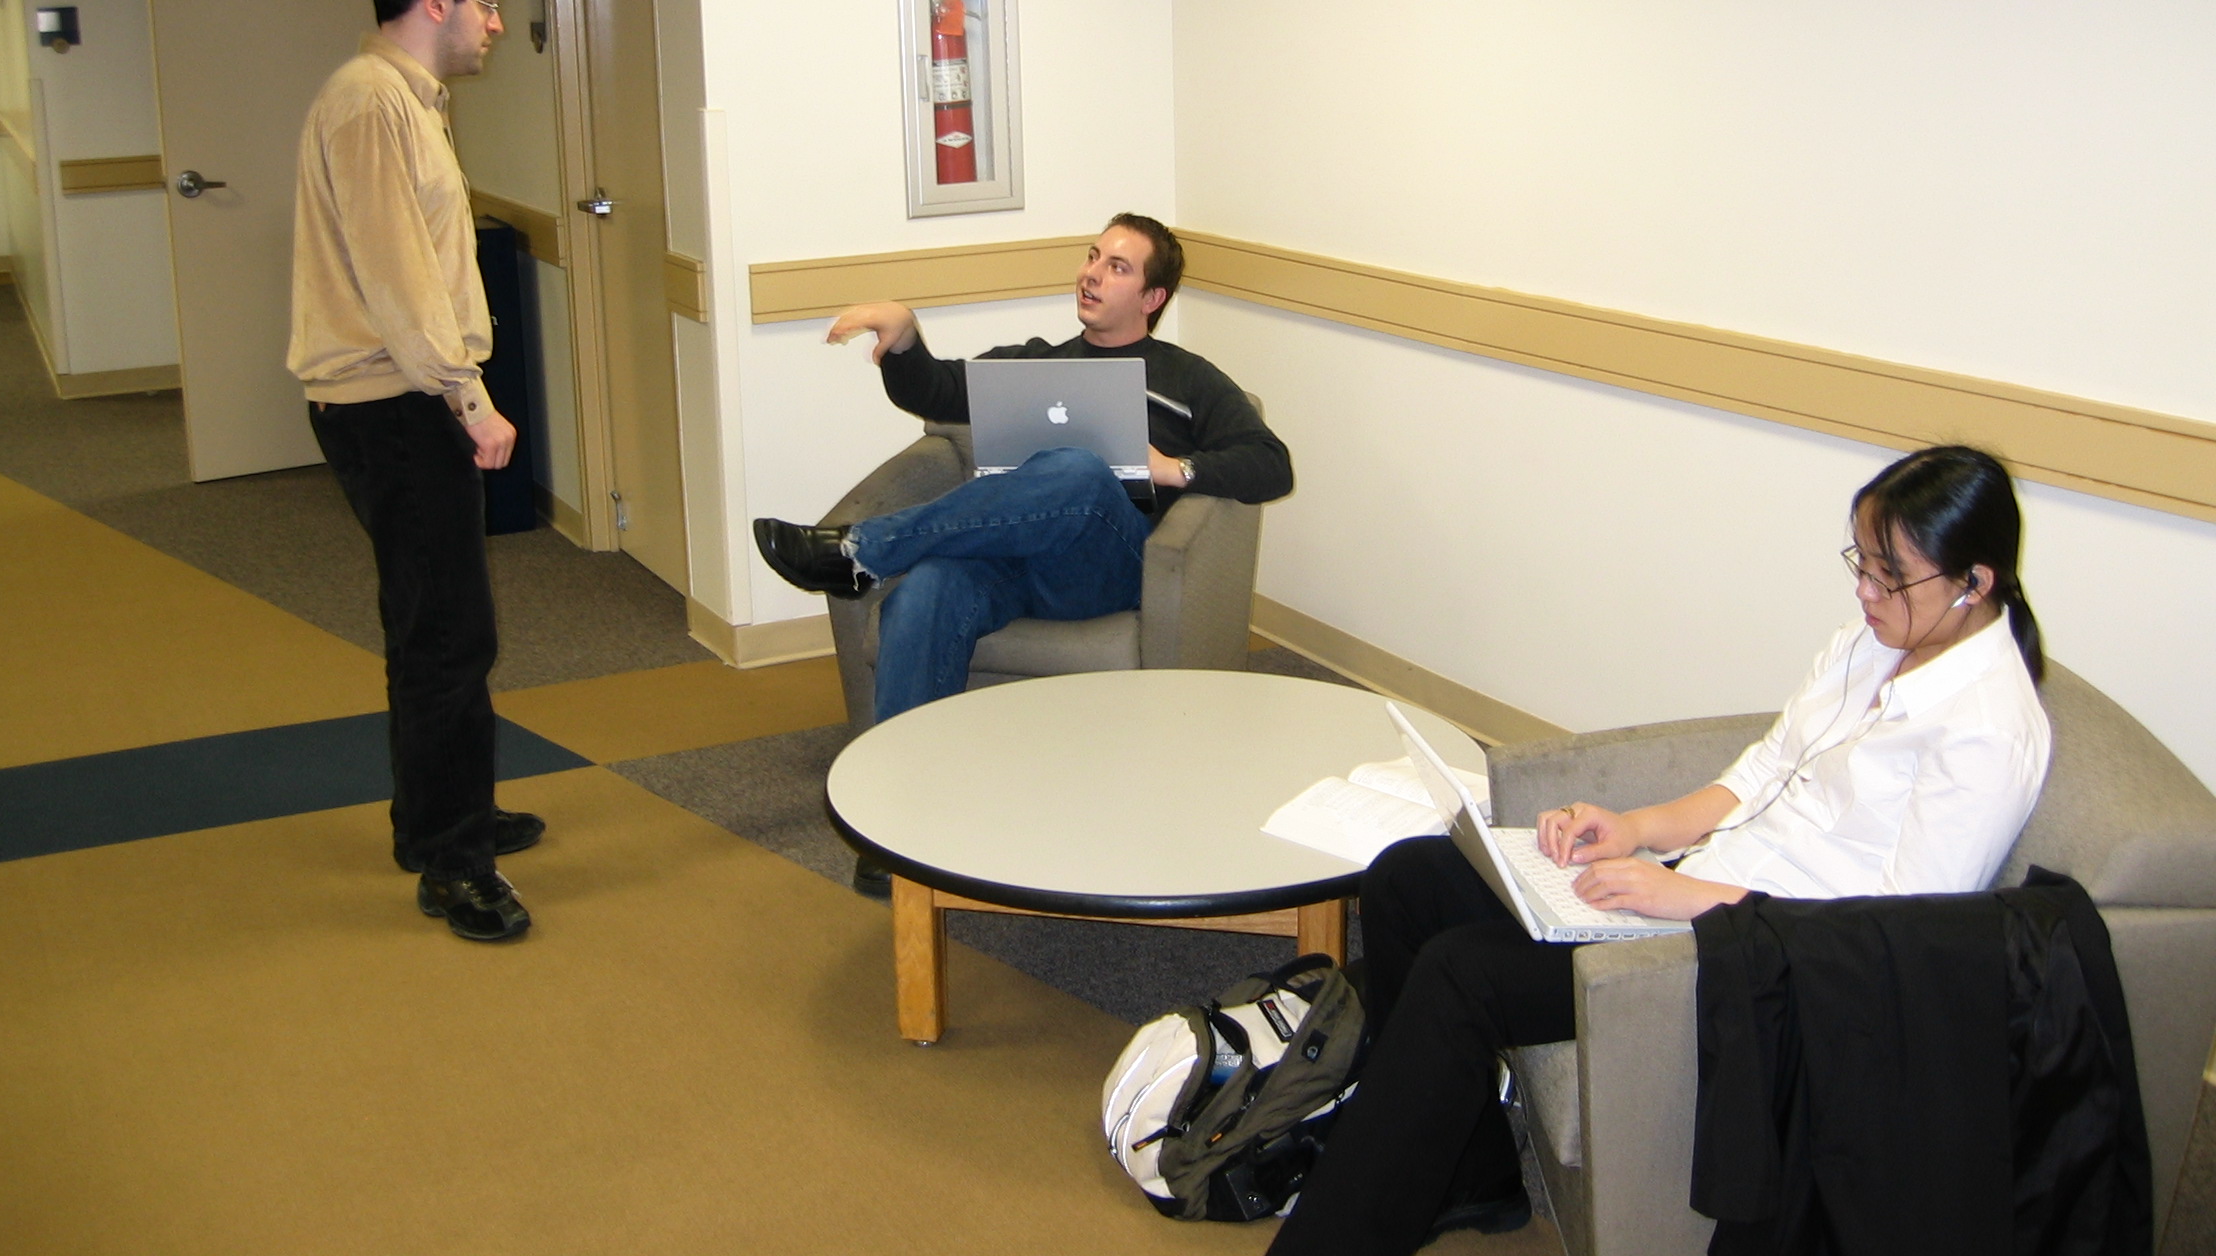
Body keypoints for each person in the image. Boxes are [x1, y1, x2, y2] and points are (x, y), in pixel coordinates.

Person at [1268, 445, 2053, 1254]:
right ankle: (1472, 1174)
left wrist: (1687, 900)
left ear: (1974, 582)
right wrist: (1636, 829)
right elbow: (1760, 774)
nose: (1865, 591)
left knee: (1465, 973)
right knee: (1409, 878)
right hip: (1698, 891)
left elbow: (1894, 936)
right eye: (1863, 563)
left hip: (1770, 966)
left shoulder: (1987, 732)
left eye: (1892, 576)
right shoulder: (1872, 644)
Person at [751, 214, 1293, 729]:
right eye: (1093, 257)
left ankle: (861, 550)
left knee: (1080, 469)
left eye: (1117, 268)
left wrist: (1175, 468)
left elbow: (1271, 464)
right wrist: (905, 335)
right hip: (1015, 563)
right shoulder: (1034, 364)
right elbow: (937, 391)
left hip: (1108, 566)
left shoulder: (1189, 379)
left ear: (1151, 298)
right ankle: (900, 769)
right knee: (927, 588)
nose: (1092, 274)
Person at [288, 0, 541, 944]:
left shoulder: (404, 100)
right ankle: (453, 863)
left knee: (432, 624)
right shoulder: (369, 105)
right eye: (487, 2)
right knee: (447, 635)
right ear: (436, 1)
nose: (496, 23)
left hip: (404, 398)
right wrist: (469, 400)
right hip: (397, 405)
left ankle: (440, 816)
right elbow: (399, 279)